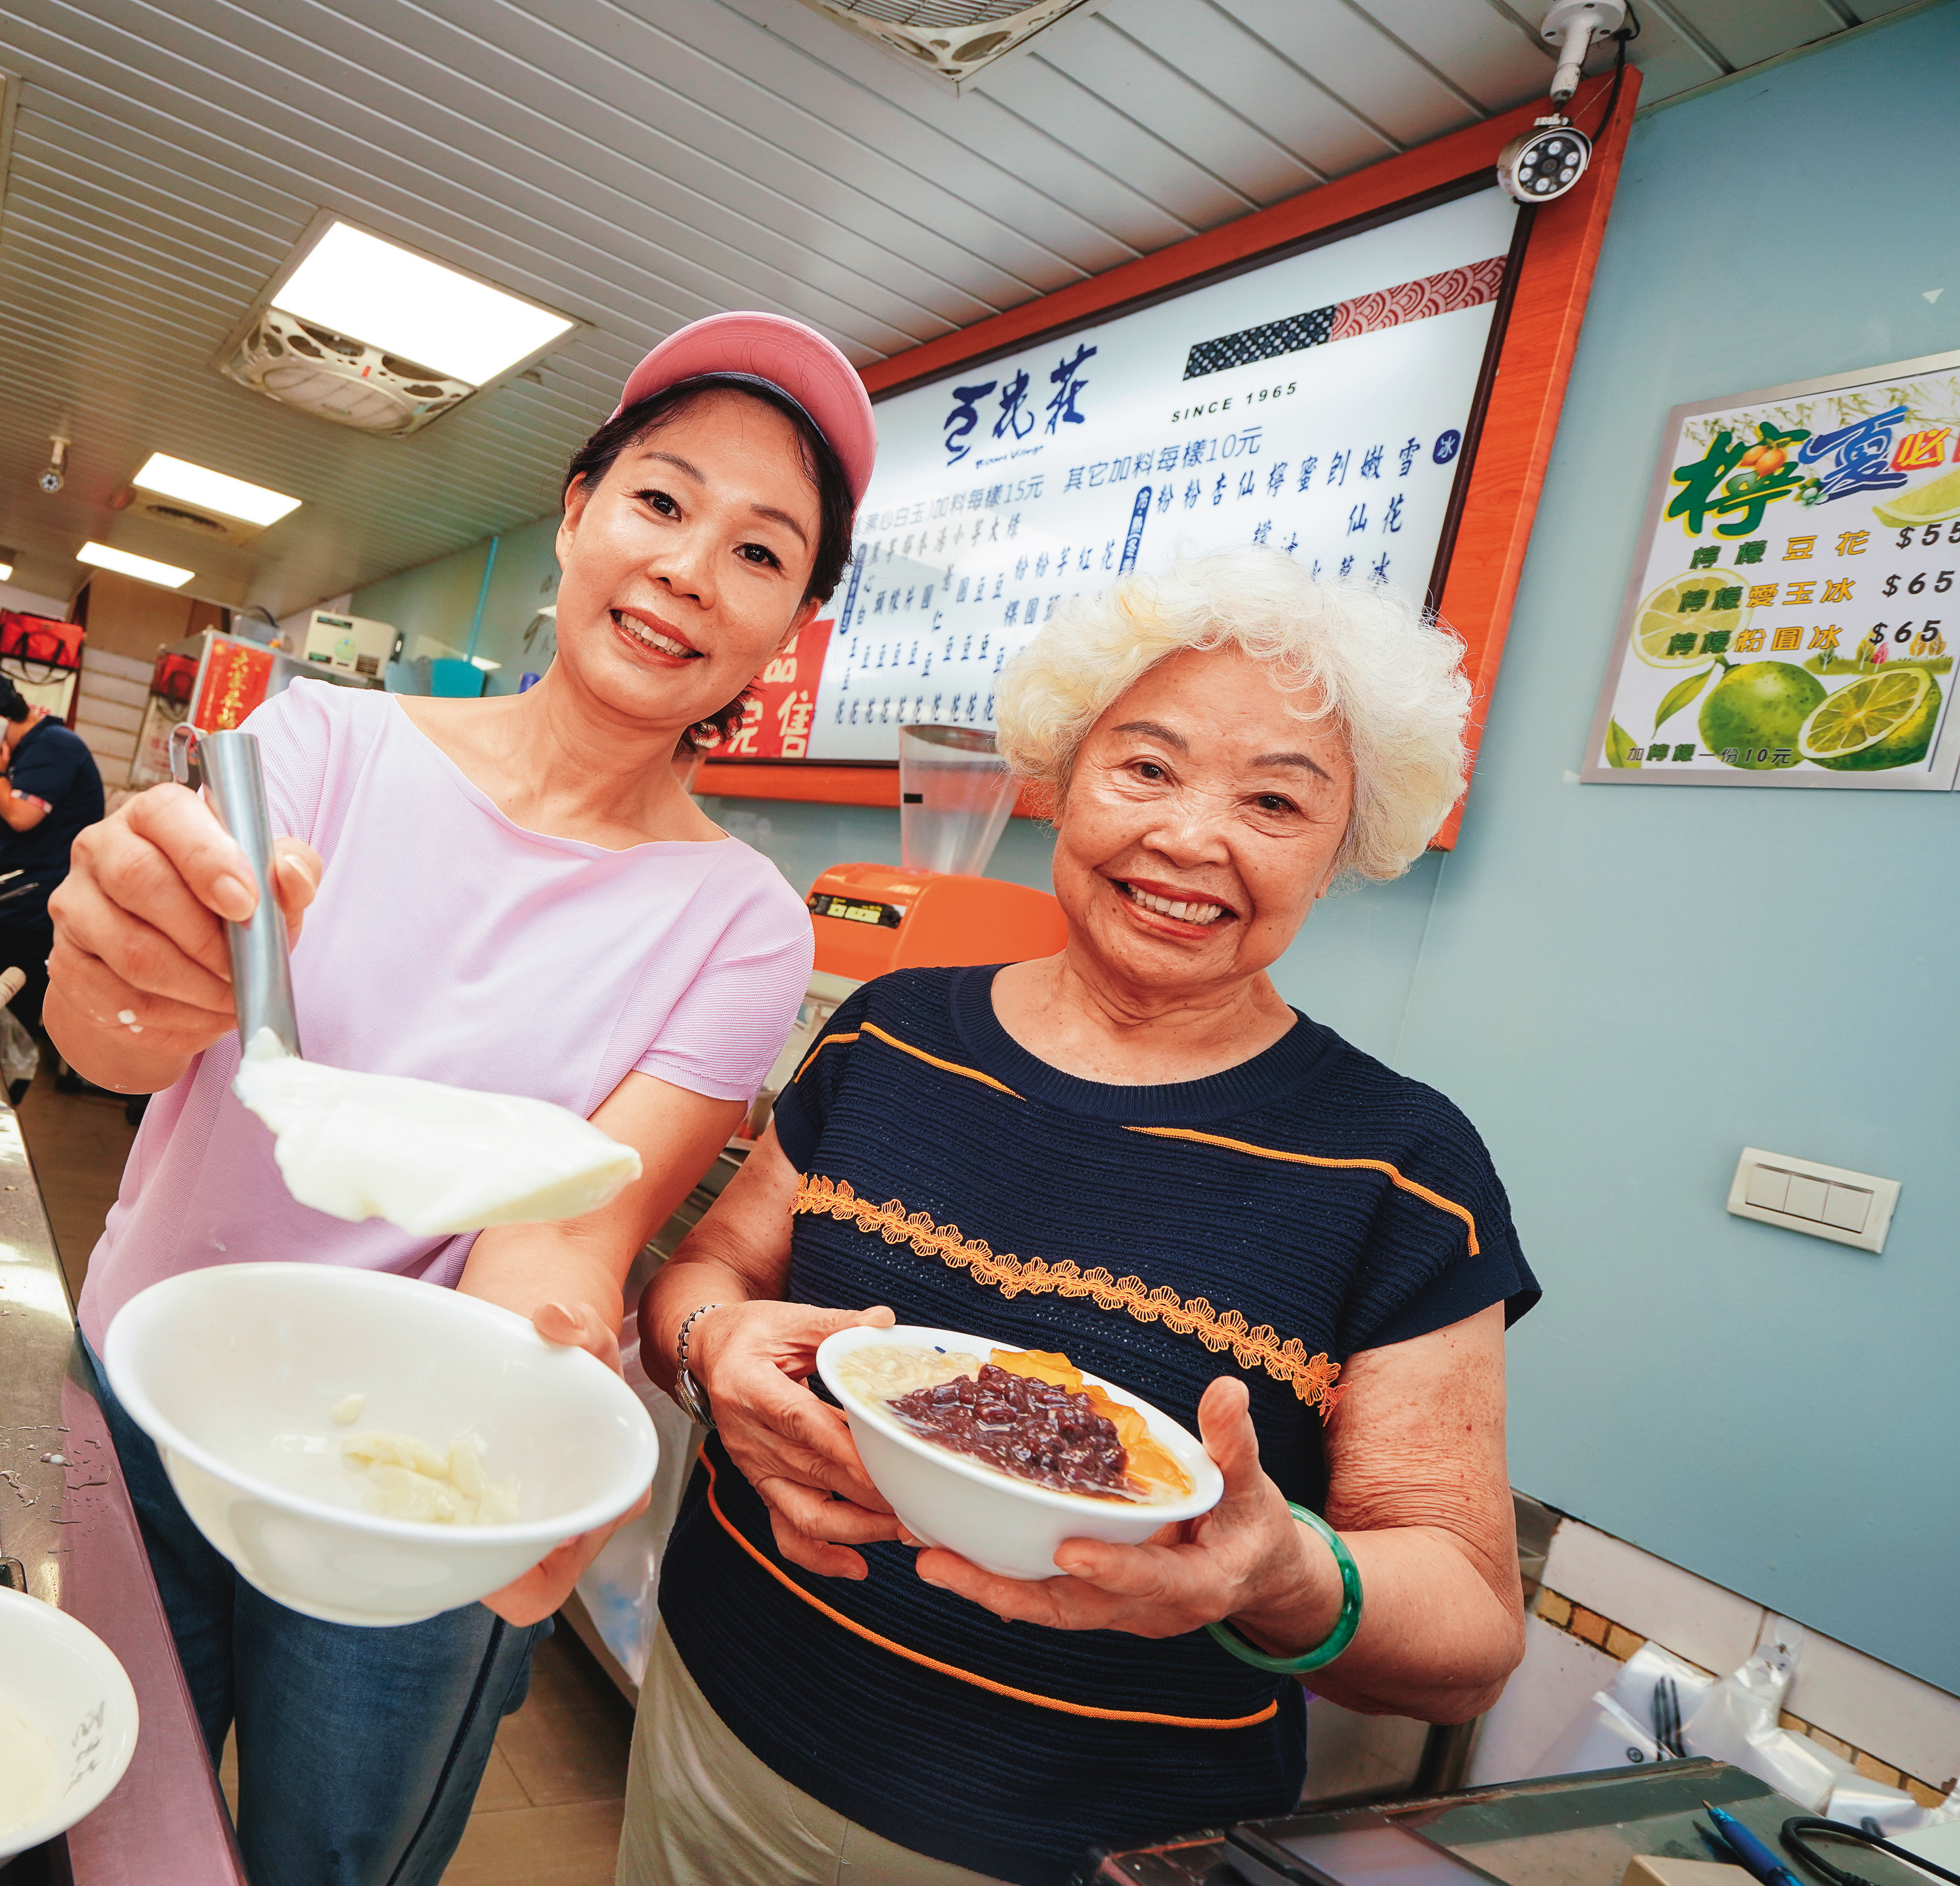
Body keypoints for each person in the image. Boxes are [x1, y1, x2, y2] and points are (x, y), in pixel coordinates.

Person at [39, 313, 871, 1886]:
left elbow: (577, 1222)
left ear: (792, 626)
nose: (690, 569)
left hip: (425, 1472)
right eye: (661, 499)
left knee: (335, 1858)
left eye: (761, 552)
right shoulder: (318, 747)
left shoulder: (743, 922)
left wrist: (531, 1423)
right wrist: (115, 972)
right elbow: (126, 1042)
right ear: (576, 512)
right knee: (96, 1822)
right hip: (152, 1395)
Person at [623, 550, 1539, 1886]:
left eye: (1274, 800)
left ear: (1342, 848)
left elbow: (1468, 1627)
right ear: (1062, 772)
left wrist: (1277, 1572)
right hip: (718, 1724)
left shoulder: (1402, 1167)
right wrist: (708, 1343)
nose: (1190, 838)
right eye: (1147, 766)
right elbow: (708, 1266)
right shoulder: (889, 1032)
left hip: (1089, 1851)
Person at [0, 667, 102, 1054]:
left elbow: (20, 817)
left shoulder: (54, 746)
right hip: (14, 905)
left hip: (38, 913)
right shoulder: (27, 752)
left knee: (12, 1028)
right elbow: (2, 840)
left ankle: (10, 1086)